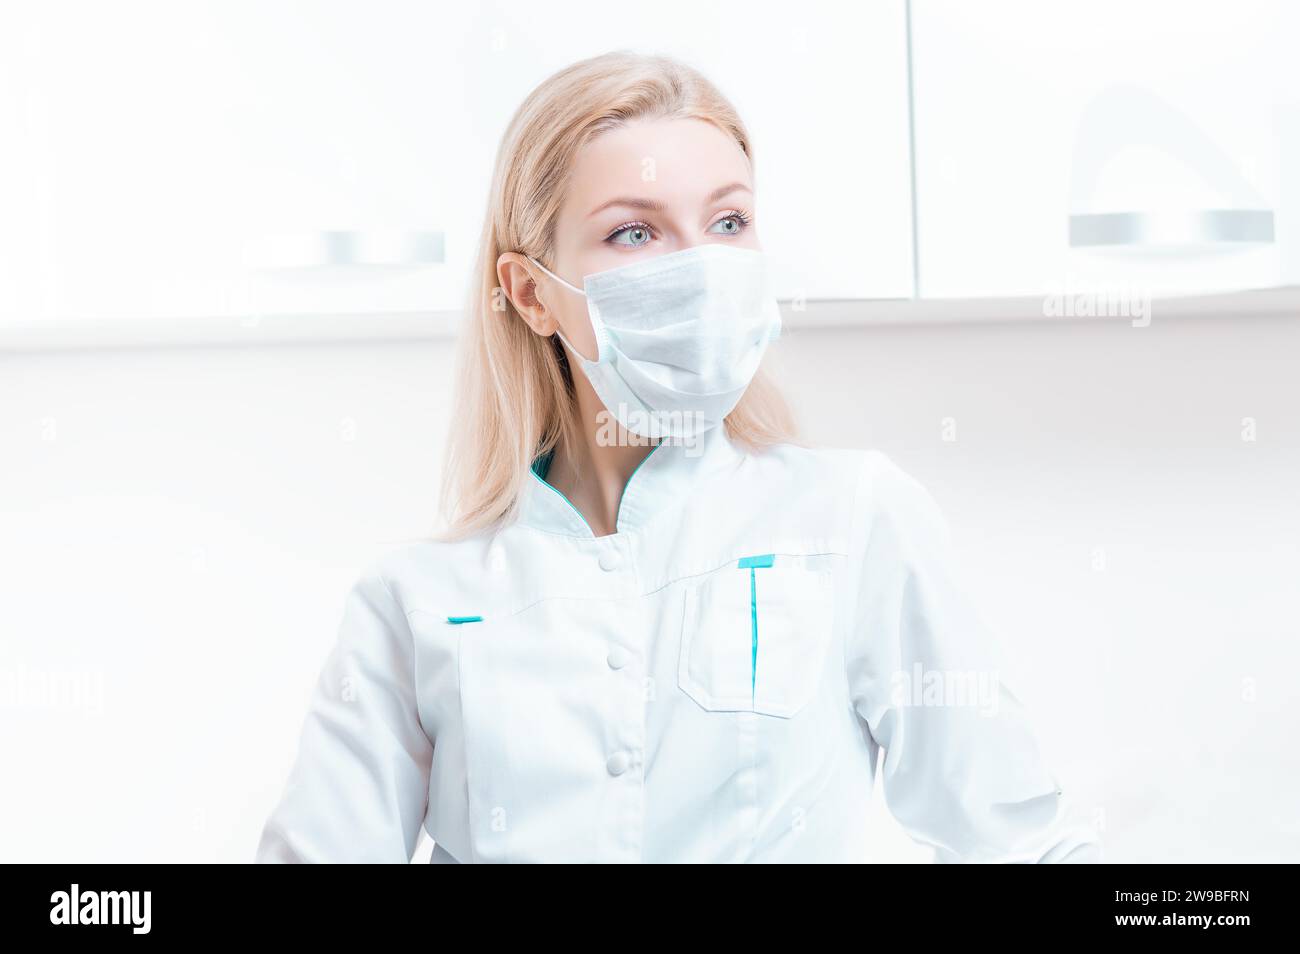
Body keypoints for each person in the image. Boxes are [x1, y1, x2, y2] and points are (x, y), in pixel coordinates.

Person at [255, 50, 1101, 863]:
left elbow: (1015, 841)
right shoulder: (418, 602)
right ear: (530, 292)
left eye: (728, 221)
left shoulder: (852, 519)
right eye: (634, 233)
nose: (701, 266)